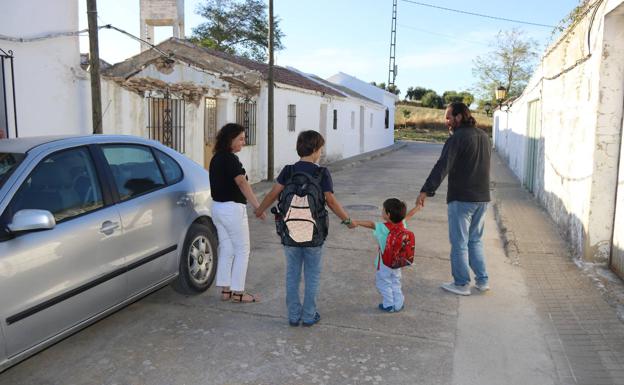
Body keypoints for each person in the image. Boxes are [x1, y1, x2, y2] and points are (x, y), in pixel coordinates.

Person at [255, 130, 355, 327]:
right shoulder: (321, 172)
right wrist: (347, 220)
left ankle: (293, 315)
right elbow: (331, 201)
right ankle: (309, 315)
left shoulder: (288, 170)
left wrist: (260, 210)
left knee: (292, 274)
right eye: (321, 149)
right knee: (312, 275)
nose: (321, 153)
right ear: (316, 150)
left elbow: (273, 194)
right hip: (314, 234)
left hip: (290, 231)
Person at [416, 102, 491, 296]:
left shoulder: (457, 138)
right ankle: (482, 281)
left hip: (462, 198)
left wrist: (426, 190)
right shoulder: (484, 136)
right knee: (475, 241)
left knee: (459, 242)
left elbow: (443, 166)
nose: (446, 121)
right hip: (482, 198)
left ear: (459, 117)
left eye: (449, 117)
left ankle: (461, 284)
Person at [209, 123, 265, 303]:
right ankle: (239, 293)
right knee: (242, 250)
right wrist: (258, 206)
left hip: (217, 208)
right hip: (232, 209)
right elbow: (242, 182)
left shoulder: (216, 158)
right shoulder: (230, 159)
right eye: (240, 138)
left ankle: (226, 290)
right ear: (229, 139)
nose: (243, 141)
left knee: (227, 248)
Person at [353, 199, 419, 312]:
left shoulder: (382, 227)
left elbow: (370, 224)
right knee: (395, 281)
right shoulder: (402, 223)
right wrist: (418, 207)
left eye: (383, 210)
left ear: (388, 214)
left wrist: (356, 222)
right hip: (397, 262)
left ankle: (388, 304)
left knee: (383, 283)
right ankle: (398, 303)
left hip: (385, 262)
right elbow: (409, 215)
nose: (382, 211)